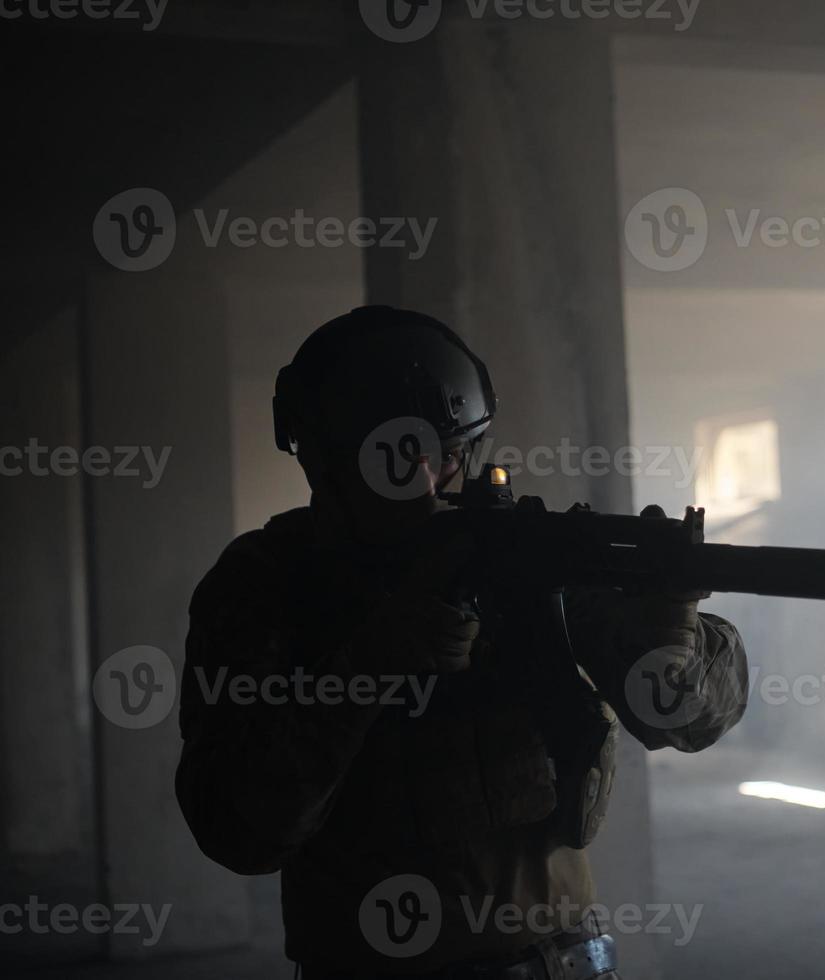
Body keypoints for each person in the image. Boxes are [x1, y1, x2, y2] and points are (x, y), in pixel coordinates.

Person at [176, 306, 748, 978]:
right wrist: (368, 666)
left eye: (446, 458)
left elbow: (683, 718)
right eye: (390, 465)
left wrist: (669, 629)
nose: (425, 484)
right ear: (322, 460)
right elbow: (238, 829)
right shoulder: (269, 582)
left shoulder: (514, 553)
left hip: (555, 958)